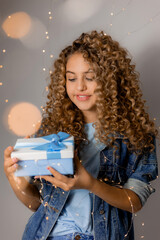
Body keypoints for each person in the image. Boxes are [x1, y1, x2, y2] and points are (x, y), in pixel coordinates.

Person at [4, 30, 158, 240]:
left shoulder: (136, 136)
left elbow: (135, 202)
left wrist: (91, 184)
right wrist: (15, 179)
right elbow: (38, 206)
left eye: (90, 77)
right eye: (71, 78)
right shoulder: (51, 130)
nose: (80, 87)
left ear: (112, 80)